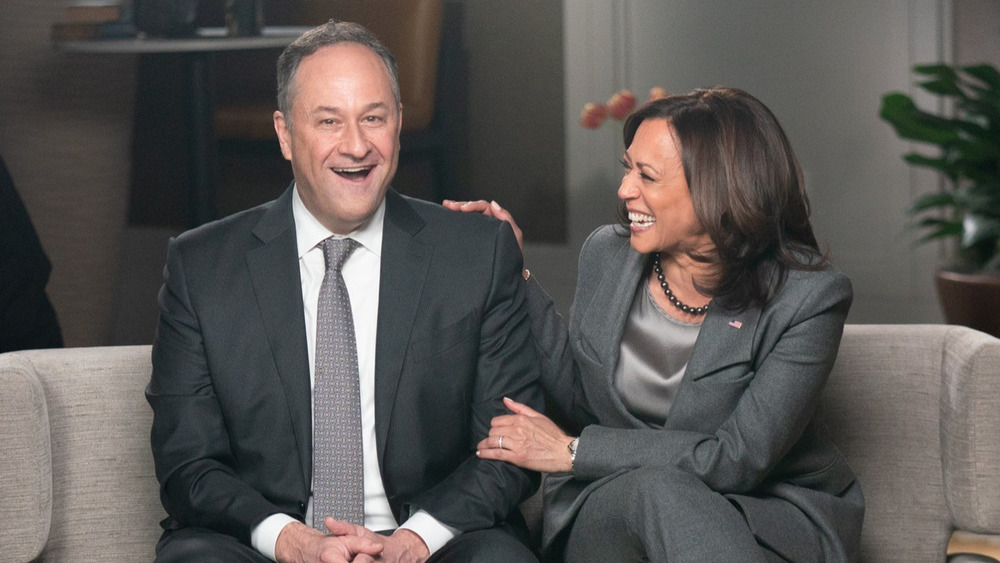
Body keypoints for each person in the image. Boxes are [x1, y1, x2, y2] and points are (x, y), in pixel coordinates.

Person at [147, 21, 542, 563]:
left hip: (433, 537)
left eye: (374, 118)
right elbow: (187, 463)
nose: (356, 146)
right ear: (285, 135)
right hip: (265, 541)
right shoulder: (202, 267)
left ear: (399, 123)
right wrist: (290, 540)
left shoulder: (478, 251)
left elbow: (508, 448)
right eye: (329, 121)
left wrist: (415, 540)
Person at [445, 87, 864, 562]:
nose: (625, 190)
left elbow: (737, 459)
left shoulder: (808, 297)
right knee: (657, 490)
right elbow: (580, 397)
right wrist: (513, 272)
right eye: (628, 167)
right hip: (615, 510)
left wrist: (574, 452)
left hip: (763, 521)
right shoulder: (607, 253)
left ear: (720, 191)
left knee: (665, 490)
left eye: (647, 175)